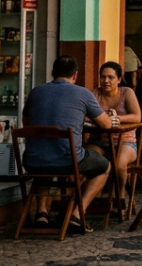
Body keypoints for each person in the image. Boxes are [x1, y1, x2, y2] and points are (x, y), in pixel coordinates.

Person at [23, 55, 113, 233]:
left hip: (32, 160)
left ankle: (42, 213)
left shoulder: (36, 92)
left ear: (52, 73)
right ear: (75, 75)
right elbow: (107, 124)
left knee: (46, 156)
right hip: (68, 160)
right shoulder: (83, 93)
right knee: (105, 166)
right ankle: (77, 215)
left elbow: (26, 122)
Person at [88, 61, 142, 199]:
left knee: (119, 165)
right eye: (103, 77)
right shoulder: (95, 94)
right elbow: (86, 116)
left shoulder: (127, 92)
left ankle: (120, 195)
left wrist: (117, 118)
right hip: (99, 141)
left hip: (126, 142)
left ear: (119, 79)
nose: (106, 81)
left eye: (111, 77)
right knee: (86, 161)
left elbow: (137, 117)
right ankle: (88, 197)